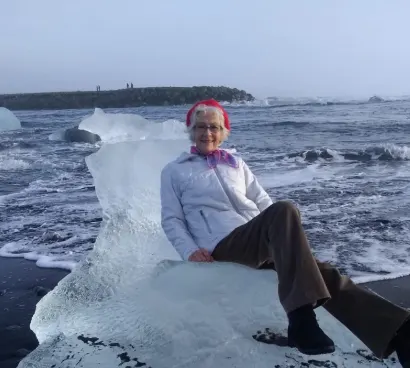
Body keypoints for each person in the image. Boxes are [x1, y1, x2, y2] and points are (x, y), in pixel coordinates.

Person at [160, 99, 410, 366]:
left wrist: (284, 237)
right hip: (220, 245)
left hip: (254, 238)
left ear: (223, 132)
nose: (207, 133)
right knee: (285, 209)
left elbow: (262, 200)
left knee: (321, 272)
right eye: (201, 127)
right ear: (191, 130)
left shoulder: (235, 163)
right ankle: (300, 318)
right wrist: (190, 251)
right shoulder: (175, 171)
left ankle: (400, 333)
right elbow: (171, 219)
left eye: (214, 127)